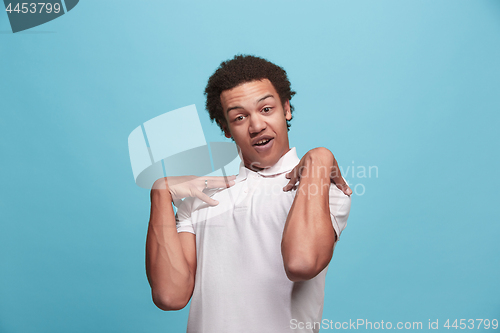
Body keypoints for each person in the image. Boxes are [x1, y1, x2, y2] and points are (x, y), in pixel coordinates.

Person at [145, 55, 352, 333]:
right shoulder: (200, 200)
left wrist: (320, 158)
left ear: (286, 109)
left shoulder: (321, 187)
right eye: (240, 117)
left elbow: (301, 263)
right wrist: (160, 192)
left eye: (266, 109)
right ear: (225, 129)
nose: (256, 126)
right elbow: (170, 296)